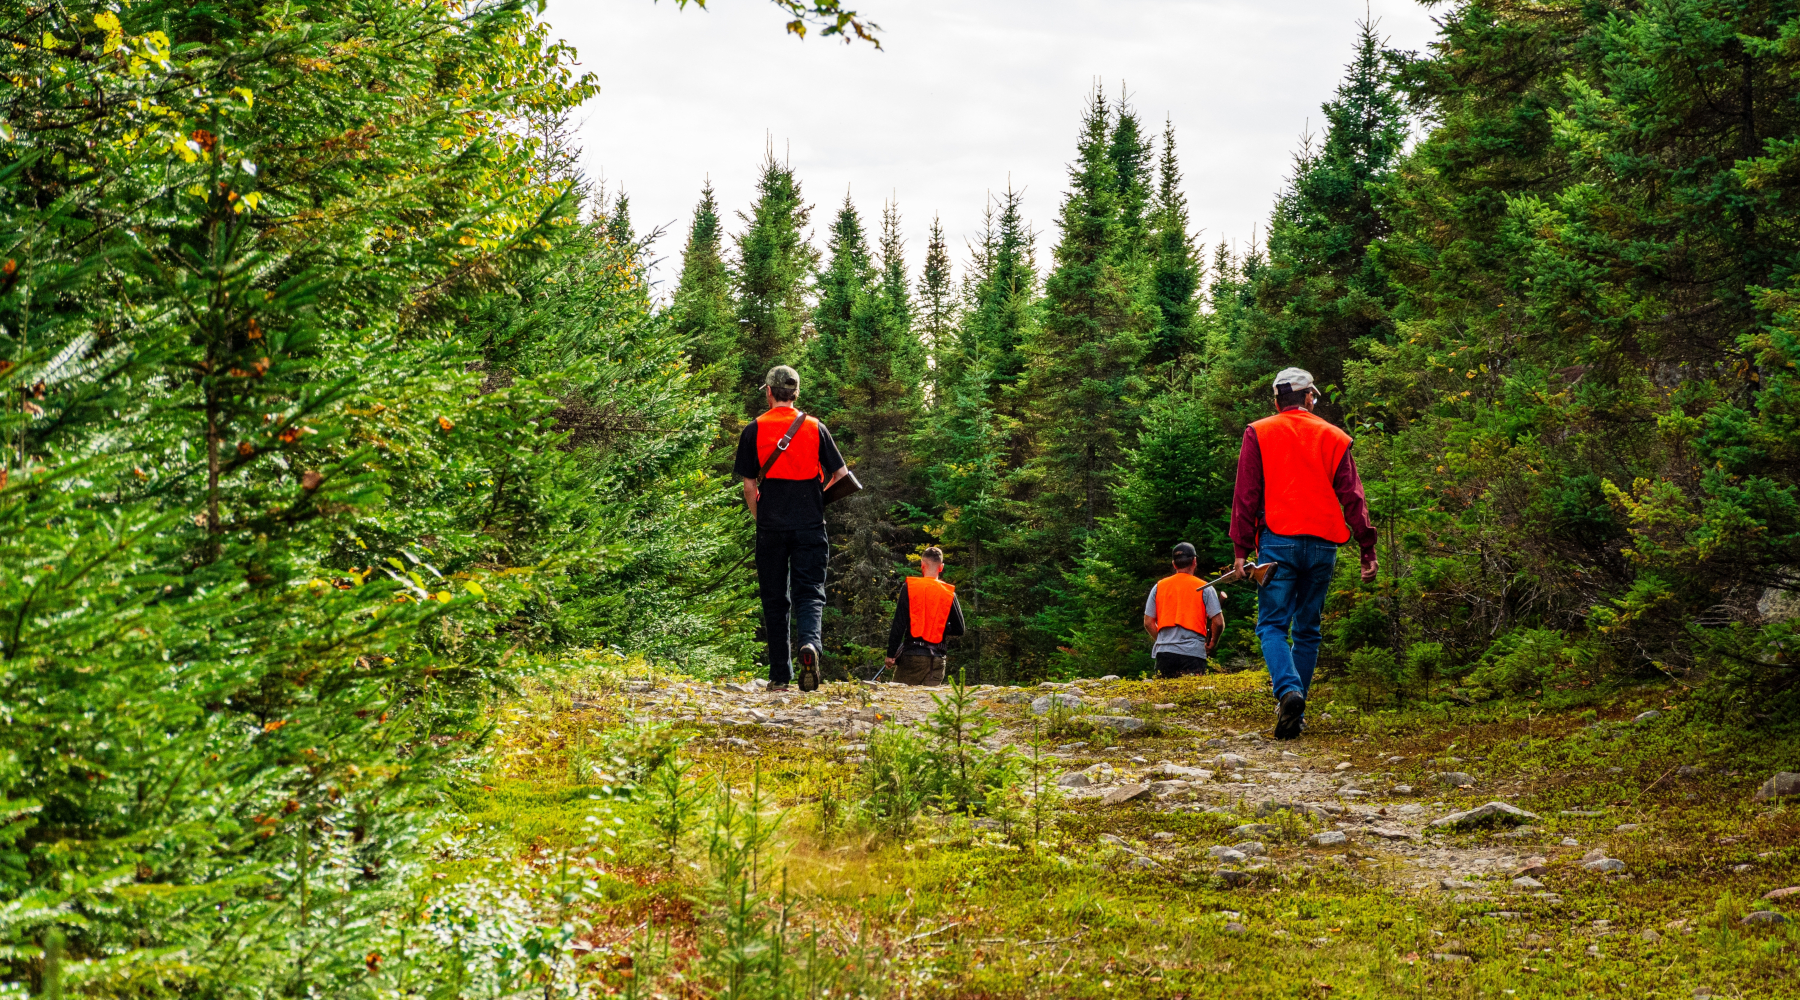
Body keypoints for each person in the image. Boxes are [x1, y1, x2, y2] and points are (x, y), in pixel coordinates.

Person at [1230, 367, 1378, 739]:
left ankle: (1288, 693)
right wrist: (1366, 547)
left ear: (1277, 400)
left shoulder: (1259, 431)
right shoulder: (1334, 437)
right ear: (1310, 397)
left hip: (1278, 540)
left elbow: (1246, 494)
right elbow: (1353, 497)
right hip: (1324, 543)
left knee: (1272, 625)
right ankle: (1294, 710)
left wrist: (1240, 549)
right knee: (1308, 629)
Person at [734, 365, 850, 692]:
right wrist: (816, 502)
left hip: (771, 524)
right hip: (810, 524)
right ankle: (809, 645)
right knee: (810, 591)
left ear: (769, 392)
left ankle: (780, 676)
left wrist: (761, 518)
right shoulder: (815, 427)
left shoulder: (754, 429)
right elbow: (841, 475)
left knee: (775, 598)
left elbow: (748, 486)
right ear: (796, 393)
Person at [883, 546, 967, 686]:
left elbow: (899, 624)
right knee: (928, 705)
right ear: (941, 567)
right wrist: (940, 626)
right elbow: (959, 629)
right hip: (938, 661)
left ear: (922, 565)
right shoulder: (949, 593)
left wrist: (891, 655)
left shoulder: (910, 587)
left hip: (912, 656)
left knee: (901, 702)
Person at [1143, 542, 1226, 678]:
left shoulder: (1159, 587)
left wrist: (1163, 641)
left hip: (1164, 653)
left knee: (1165, 697)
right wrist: (1212, 643)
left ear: (1174, 564)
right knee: (1193, 697)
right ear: (1194, 561)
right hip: (1193, 653)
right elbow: (1218, 622)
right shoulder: (1205, 587)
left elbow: (1148, 622)